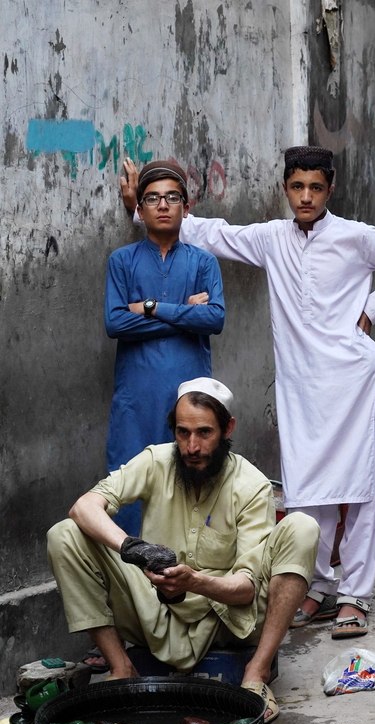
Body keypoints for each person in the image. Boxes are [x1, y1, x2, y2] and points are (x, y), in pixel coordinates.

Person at [120, 147, 375, 639]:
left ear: (330, 189)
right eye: (297, 187)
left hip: (351, 377)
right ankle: (319, 585)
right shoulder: (270, 239)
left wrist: (370, 310)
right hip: (300, 383)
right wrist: (140, 206)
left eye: (316, 188)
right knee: (307, 488)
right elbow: (209, 232)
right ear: (285, 188)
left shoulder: (355, 236)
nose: (306, 197)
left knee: (359, 489)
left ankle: (355, 594)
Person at [47, 377, 320, 722]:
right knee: (65, 534)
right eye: (182, 433)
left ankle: (257, 673)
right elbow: (84, 506)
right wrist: (131, 547)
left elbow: (246, 589)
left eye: (204, 433)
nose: (192, 446)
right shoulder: (155, 461)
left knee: (302, 528)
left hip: (226, 619)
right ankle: (121, 667)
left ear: (227, 429)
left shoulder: (251, 485)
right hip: (155, 612)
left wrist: (194, 582)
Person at [106, 159, 225, 536]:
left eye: (172, 197)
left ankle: (187, 574)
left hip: (189, 399)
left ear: (186, 208)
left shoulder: (204, 262)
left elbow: (214, 319)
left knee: (191, 480)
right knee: (128, 483)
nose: (162, 204)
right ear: (139, 209)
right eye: (152, 198)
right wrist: (184, 314)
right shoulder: (121, 262)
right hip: (136, 398)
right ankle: (127, 578)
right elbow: (116, 323)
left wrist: (154, 307)